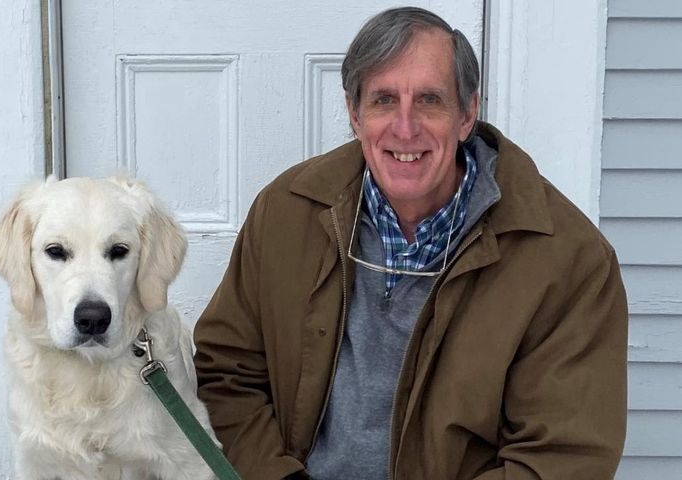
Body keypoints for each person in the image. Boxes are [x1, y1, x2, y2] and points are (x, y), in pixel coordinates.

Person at [194, 6, 628, 479]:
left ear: (467, 114)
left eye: (429, 100)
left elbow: (563, 458)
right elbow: (227, 375)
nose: (405, 128)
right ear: (354, 115)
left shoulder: (567, 259)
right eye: (383, 100)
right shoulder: (286, 212)